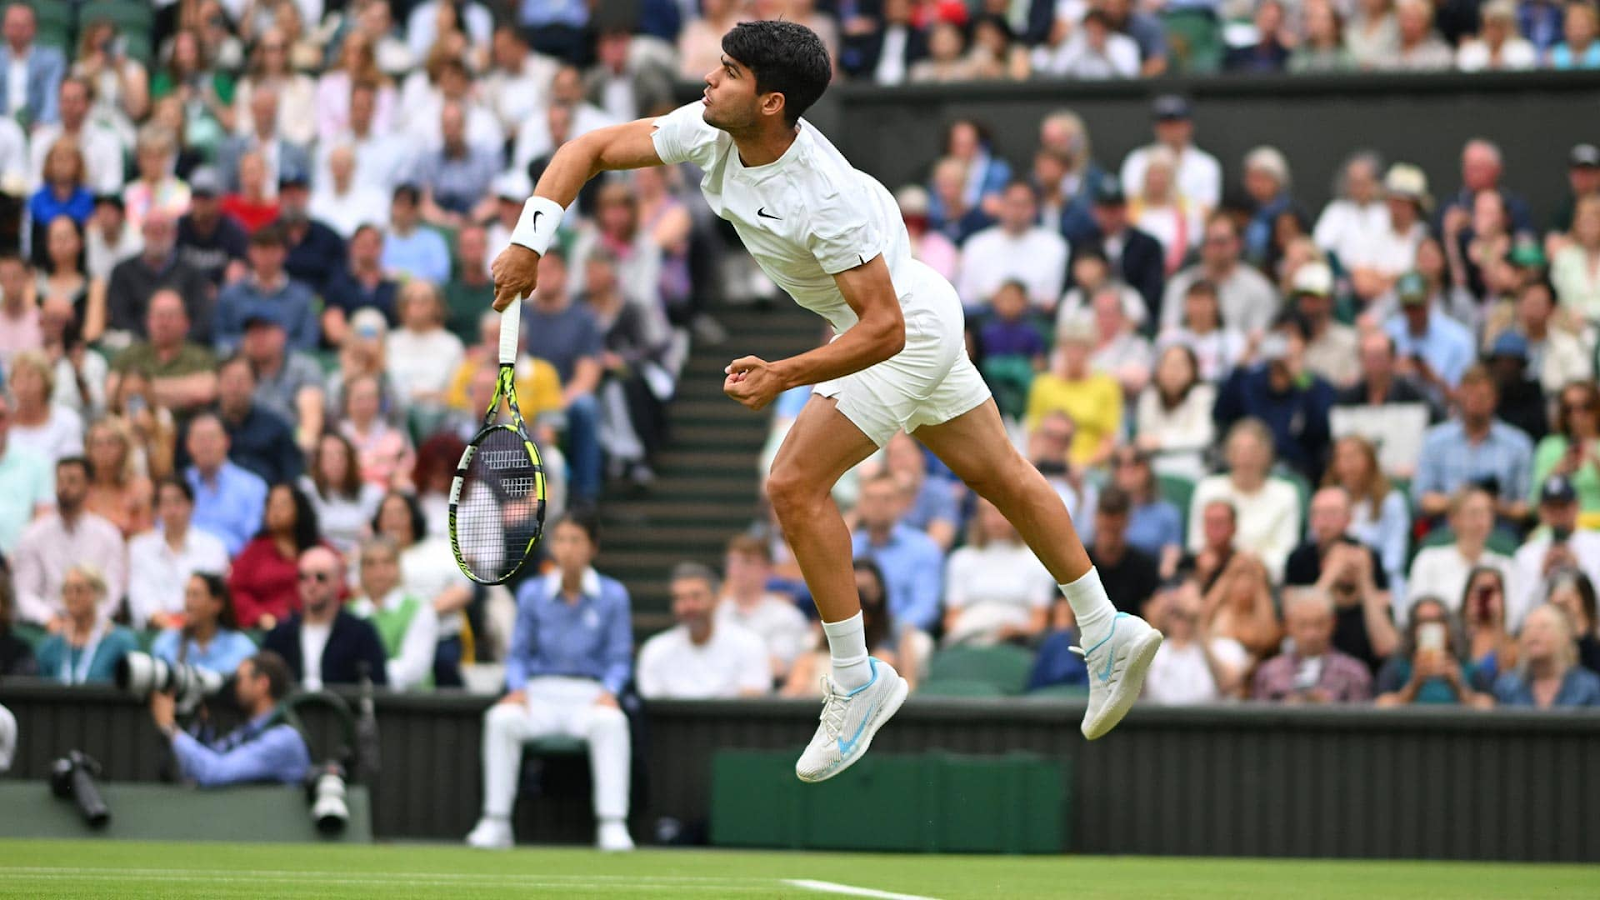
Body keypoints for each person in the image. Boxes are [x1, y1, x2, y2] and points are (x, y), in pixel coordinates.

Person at [488, 22, 1160, 780]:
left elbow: (884, 331)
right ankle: (1106, 630)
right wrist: (529, 239)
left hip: (899, 326)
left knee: (791, 482)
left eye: (731, 72)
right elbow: (591, 149)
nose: (710, 80)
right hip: (904, 314)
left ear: (771, 102)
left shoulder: (824, 197)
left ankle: (856, 679)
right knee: (1001, 474)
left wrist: (783, 374)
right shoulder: (710, 128)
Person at [465, 514, 635, 853]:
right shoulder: (531, 593)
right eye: (560, 540)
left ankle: (612, 824)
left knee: (613, 722)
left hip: (589, 696)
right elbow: (518, 655)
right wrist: (516, 688)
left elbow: (619, 658)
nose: (567, 549)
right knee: (501, 720)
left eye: (576, 540)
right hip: (539, 693)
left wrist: (610, 691)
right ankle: (496, 821)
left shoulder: (613, 595)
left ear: (593, 547)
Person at [149, 650, 311, 787]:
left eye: (239, 679)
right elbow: (197, 769)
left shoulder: (283, 738)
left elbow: (215, 773)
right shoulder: (248, 731)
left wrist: (170, 727)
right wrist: (203, 724)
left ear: (262, 683)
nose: (235, 687)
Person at [1284, 486, 1401, 671]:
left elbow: (1388, 647)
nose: (1324, 521)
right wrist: (1330, 575)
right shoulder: (1300, 558)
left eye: (1332, 513)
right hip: (1314, 658)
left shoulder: (1369, 555)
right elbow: (1294, 629)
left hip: (1366, 661)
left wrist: (1365, 580)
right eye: (1318, 514)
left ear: (1349, 518)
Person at [1411, 364, 1533, 523]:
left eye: (1482, 396)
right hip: (1447, 523)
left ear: (1495, 399)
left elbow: (1526, 507)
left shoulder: (1518, 444)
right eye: (1469, 395)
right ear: (1459, 395)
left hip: (1499, 523)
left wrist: (1492, 504)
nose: (1475, 401)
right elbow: (1421, 499)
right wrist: (1462, 501)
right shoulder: (1435, 440)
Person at [13, 457, 125, 628]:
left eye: (72, 481)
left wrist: (91, 619)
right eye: (60, 480)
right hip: (47, 625)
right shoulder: (33, 535)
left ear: (89, 487)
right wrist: (48, 618)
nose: (64, 487)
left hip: (96, 625)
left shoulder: (108, 535)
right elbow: (24, 592)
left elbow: (113, 591)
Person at [1188, 419, 1302, 581]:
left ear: (1267, 454)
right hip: (1215, 575)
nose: (1246, 457)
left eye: (1253, 451)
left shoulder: (1286, 494)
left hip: (1264, 577)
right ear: (1228, 454)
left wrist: (1248, 566)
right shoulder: (1207, 489)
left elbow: (1286, 550)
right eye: (1239, 450)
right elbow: (1197, 544)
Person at [262, 546, 388, 690]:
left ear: (339, 581)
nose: (312, 585)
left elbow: (379, 687)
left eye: (321, 577)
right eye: (304, 577)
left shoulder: (361, 633)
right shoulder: (280, 634)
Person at [639, 562, 772, 698]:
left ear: (716, 599)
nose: (688, 606)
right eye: (680, 598)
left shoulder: (750, 644)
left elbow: (753, 700)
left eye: (696, 596)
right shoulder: (655, 649)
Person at [943, 498, 1056, 646]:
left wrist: (1016, 631)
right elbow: (952, 617)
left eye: (1002, 510)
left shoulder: (1036, 561)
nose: (997, 518)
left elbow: (1039, 620)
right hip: (970, 634)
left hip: (1015, 641)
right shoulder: (961, 559)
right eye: (989, 511)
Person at [786, 559, 903, 695]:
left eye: (865, 591)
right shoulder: (813, 652)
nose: (858, 599)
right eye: (853, 591)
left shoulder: (892, 639)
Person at [127, 479, 230, 630]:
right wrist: (164, 621)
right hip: (154, 629)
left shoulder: (213, 546)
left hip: (202, 628)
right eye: (165, 503)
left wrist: (189, 620)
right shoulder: (139, 547)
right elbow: (140, 594)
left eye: (178, 502)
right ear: (156, 510)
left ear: (192, 505)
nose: (172, 510)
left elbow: (213, 594)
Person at [850, 472, 944, 635]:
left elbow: (926, 606)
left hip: (903, 632)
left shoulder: (923, 547)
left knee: (917, 645)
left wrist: (891, 630)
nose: (878, 506)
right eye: (870, 498)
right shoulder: (849, 547)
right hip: (854, 631)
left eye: (887, 499)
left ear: (902, 503)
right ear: (860, 505)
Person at [1407, 486, 1516, 624]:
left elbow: (1513, 619)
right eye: (1474, 513)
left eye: (1487, 513)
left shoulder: (1504, 566)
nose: (1481, 521)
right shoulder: (1428, 560)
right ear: (1453, 519)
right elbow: (1414, 612)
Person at [955, 180, 1068, 312]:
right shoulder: (976, 244)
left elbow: (1050, 299)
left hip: (1033, 320)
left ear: (1035, 208)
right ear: (1001, 205)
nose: (1017, 211)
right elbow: (965, 296)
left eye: (1024, 205)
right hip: (983, 318)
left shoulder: (1054, 246)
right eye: (1012, 204)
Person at [1323, 436, 1412, 602]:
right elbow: (1317, 543)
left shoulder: (1391, 502)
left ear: (1370, 461)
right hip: (1335, 580)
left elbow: (1394, 558)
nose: (1346, 466)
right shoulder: (1328, 500)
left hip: (1379, 582)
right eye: (1340, 458)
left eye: (1352, 458)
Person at [1251, 588, 1374, 703]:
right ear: (1289, 625)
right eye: (1303, 625)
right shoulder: (1269, 673)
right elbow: (1256, 722)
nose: (1311, 634)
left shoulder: (1353, 673)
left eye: (1319, 624)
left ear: (1332, 623)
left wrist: (1330, 710)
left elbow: (1362, 723)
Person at [348, 536, 438, 691]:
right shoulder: (349, 612)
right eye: (370, 563)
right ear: (361, 570)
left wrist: (364, 676)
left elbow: (413, 669)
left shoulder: (420, 609)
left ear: (398, 567)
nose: (379, 571)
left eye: (387, 562)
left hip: (411, 706)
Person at [718, 534, 810, 682]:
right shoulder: (716, 613)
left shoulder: (786, 616)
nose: (737, 569)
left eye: (747, 562)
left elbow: (779, 667)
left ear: (767, 569)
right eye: (732, 562)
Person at [1511, 475, 1600, 629]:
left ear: (1576, 506)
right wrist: (1542, 576)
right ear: (1541, 511)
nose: (1558, 514)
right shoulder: (1526, 554)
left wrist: (1580, 570)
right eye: (1552, 508)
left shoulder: (1596, 544)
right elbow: (1518, 620)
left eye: (1563, 506)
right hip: (1545, 632)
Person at [230, 484, 322, 631]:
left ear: (299, 508)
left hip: (315, 624)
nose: (275, 511)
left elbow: (336, 585)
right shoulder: (254, 550)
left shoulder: (319, 548)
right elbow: (236, 590)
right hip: (266, 628)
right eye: (270, 505)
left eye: (283, 504)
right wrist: (258, 616)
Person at [1374, 596, 1495, 707]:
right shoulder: (1397, 667)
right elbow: (1381, 706)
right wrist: (1414, 684)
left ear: (1449, 627)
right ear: (1413, 630)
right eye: (1423, 621)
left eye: (1437, 620)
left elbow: (1489, 707)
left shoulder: (1468, 667)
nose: (1431, 627)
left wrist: (1459, 686)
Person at [1144, 577, 1248, 703]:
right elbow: (1132, 695)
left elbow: (1228, 684)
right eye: (1175, 611)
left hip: (1209, 721)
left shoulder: (1226, 647)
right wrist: (1152, 624)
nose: (1181, 609)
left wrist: (1197, 623)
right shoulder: (1154, 652)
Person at [33, 565, 138, 685]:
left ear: (97, 593)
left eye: (79, 590)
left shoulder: (121, 643)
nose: (72, 597)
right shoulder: (50, 646)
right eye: (67, 590)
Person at [184, 412, 270, 555]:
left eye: (211, 438)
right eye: (199, 439)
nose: (206, 445)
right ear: (188, 445)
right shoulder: (178, 487)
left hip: (237, 566)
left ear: (226, 441)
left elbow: (255, 539)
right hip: (184, 567)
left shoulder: (253, 486)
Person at [215, 354, 302, 486]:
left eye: (241, 381)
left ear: (255, 384)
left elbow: (291, 478)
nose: (235, 388)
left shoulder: (276, 427)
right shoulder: (203, 428)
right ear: (218, 384)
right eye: (229, 380)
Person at [150, 573, 257, 676]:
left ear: (217, 603)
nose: (188, 603)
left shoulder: (241, 649)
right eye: (187, 595)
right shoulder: (166, 643)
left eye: (195, 595)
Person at [1492, 604, 1600, 707]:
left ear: (1565, 636)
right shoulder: (1506, 688)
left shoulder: (1589, 688)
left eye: (1544, 627)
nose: (1533, 633)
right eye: (1528, 628)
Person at [300, 432, 384, 555]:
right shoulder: (305, 490)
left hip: (361, 558)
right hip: (319, 557)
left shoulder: (372, 493)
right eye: (329, 456)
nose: (336, 462)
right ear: (318, 462)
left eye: (341, 456)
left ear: (351, 460)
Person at [0, 3, 66, 126]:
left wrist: (44, 123)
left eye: (23, 25)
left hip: (38, 126)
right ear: (4, 27)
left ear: (34, 28)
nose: (18, 30)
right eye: (14, 25)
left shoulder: (51, 59)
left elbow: (52, 96)